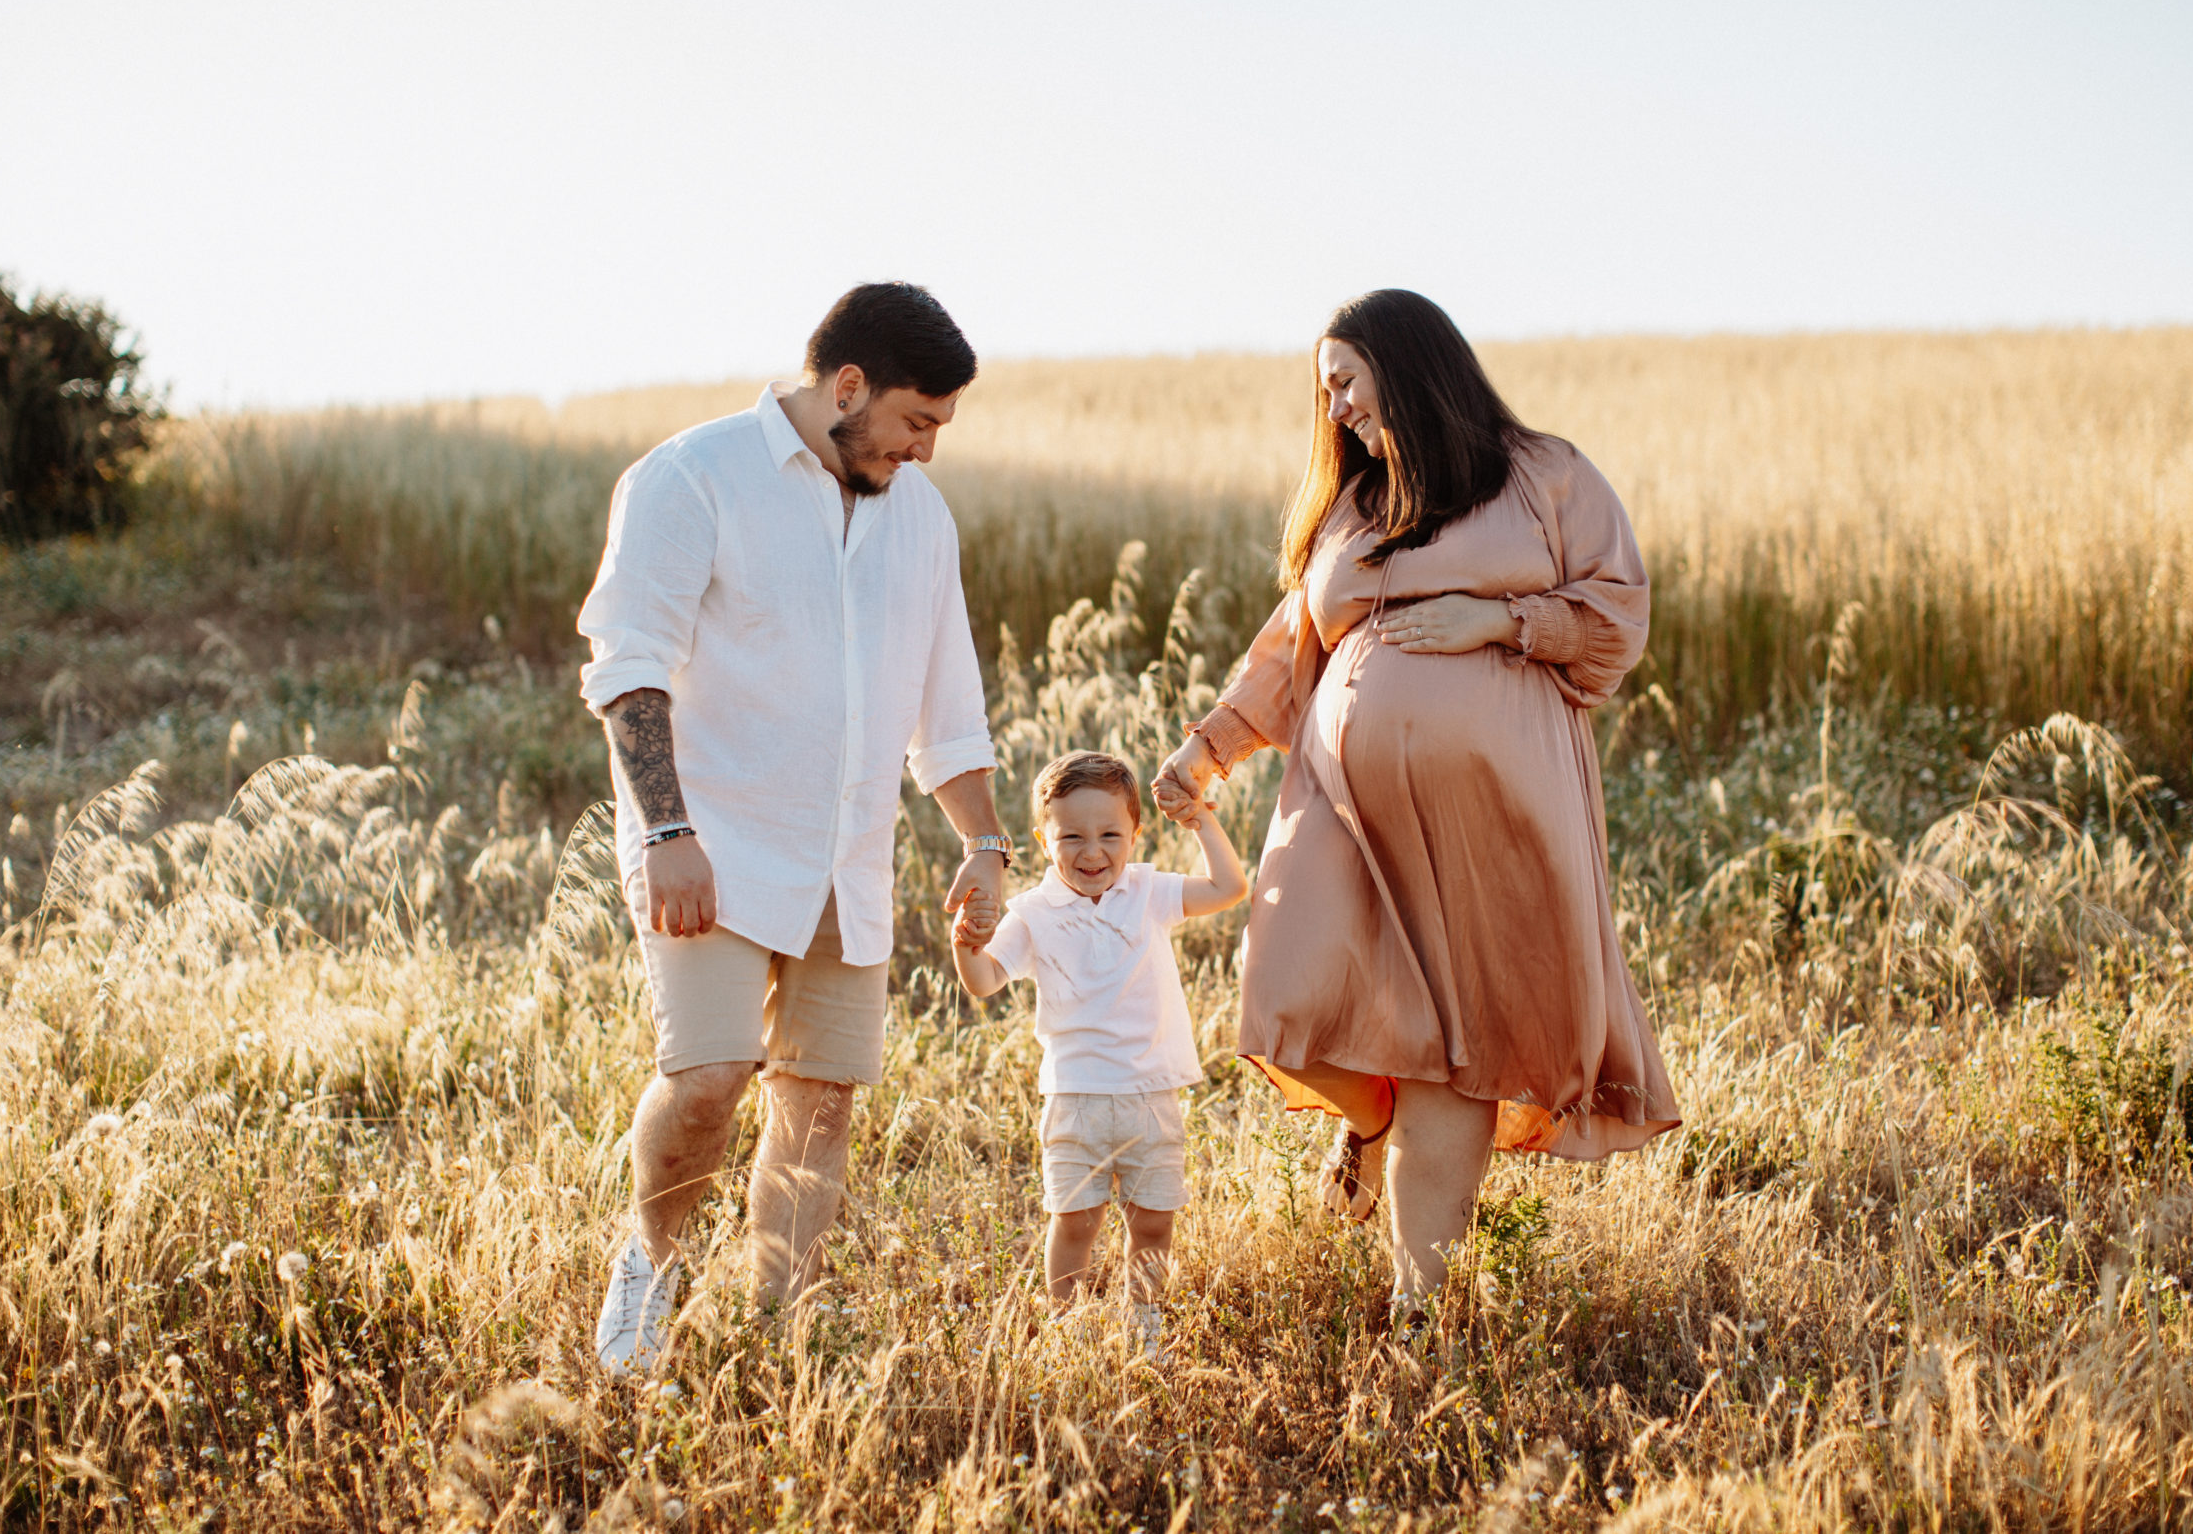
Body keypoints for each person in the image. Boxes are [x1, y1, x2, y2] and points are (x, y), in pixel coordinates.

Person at [1153, 288, 1680, 1330]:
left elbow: (1615, 620)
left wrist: (1499, 619)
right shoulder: (1350, 511)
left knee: (1459, 1052)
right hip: (1347, 819)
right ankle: (1364, 1121)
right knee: (1289, 1011)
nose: (1334, 405)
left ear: (1409, 365)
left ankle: (1417, 1309)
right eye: (1326, 388)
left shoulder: (1545, 478)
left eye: (1344, 379)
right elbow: (1287, 650)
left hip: (1499, 821)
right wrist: (1208, 747)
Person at [576, 281, 1016, 1378]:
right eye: (916, 422)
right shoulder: (692, 477)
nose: (926, 450)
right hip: (712, 846)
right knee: (713, 1073)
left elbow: (947, 708)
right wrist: (665, 828)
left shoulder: (921, 516)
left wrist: (984, 842)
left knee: (820, 1110)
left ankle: (770, 1328)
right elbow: (628, 667)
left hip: (848, 865)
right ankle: (651, 1269)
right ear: (848, 386)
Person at [950, 751, 1249, 1359]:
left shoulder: (1148, 893)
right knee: (1076, 1223)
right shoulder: (1033, 913)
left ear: (1136, 835)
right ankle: (1064, 1330)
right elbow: (983, 982)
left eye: (1111, 834)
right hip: (1076, 1098)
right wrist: (966, 944)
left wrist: (1201, 823)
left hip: (1151, 1094)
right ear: (1043, 840)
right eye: (1072, 837)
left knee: (1153, 1222)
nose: (1093, 852)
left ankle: (1146, 1332)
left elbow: (1230, 887)